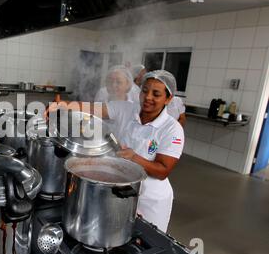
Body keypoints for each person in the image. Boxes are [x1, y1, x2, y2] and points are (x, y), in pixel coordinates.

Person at [48, 70, 184, 232]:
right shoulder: (126, 109)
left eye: (156, 94)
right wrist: (62, 105)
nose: (148, 97)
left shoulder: (172, 129)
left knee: (148, 240)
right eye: (145, 91)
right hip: (119, 189)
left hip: (150, 199)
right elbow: (94, 109)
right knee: (116, 235)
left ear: (168, 99)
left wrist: (134, 157)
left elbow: (162, 170)